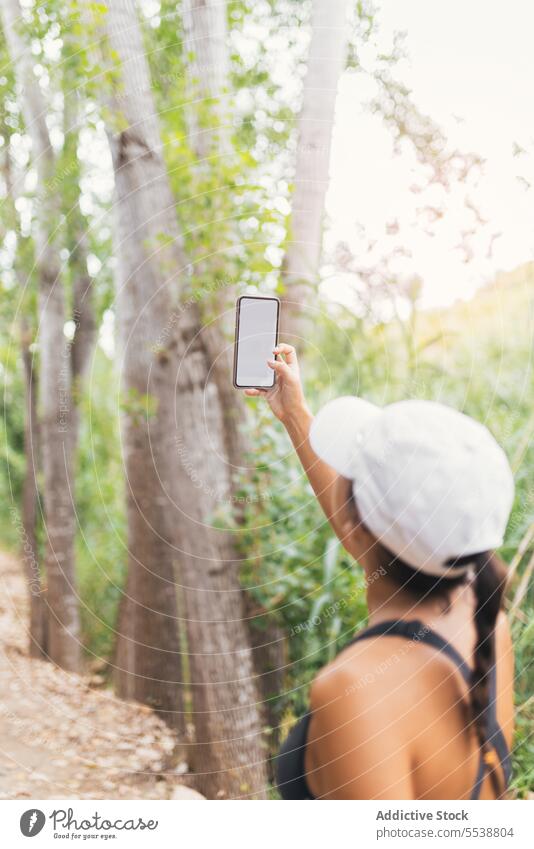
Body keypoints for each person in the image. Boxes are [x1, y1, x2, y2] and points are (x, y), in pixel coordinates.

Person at [244, 344, 515, 800]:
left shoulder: (356, 692)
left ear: (359, 527)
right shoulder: (486, 622)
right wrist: (294, 415)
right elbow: (382, 534)